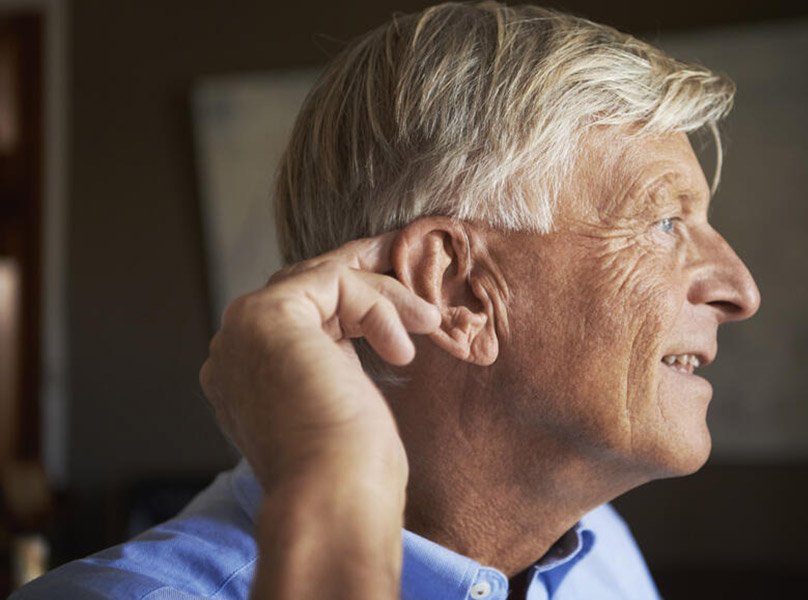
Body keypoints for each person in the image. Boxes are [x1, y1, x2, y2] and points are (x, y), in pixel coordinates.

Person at [14, 2, 760, 599]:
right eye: (664, 222)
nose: (740, 290)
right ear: (458, 289)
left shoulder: (601, 557)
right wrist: (336, 479)